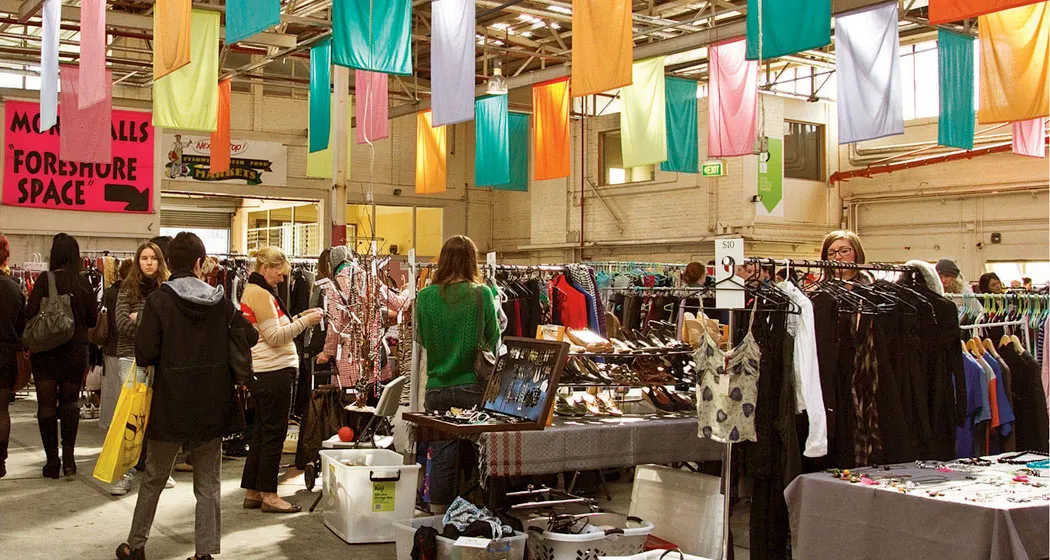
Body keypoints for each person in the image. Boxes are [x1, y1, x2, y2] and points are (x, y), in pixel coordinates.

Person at [115, 232, 257, 560]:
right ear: (198, 263)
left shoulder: (158, 301)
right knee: (208, 483)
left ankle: (135, 546)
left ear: (168, 262)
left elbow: (145, 353)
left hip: (170, 402)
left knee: (154, 477)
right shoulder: (219, 301)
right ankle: (204, 553)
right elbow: (249, 335)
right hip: (213, 402)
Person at [415, 236, 499, 513]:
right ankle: (483, 510)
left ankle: (439, 513)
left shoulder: (425, 296)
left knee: (441, 453)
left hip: (436, 387)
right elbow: (494, 340)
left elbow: (421, 338)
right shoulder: (481, 293)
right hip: (472, 386)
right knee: (482, 451)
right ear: (472, 261)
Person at [239, 247, 323, 514]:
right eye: (279, 273)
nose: (283, 279)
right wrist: (306, 322)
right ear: (265, 268)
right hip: (273, 372)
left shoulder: (256, 291)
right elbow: (275, 337)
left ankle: (253, 491)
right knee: (273, 434)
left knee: (263, 432)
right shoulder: (261, 294)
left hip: (267, 371)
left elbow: (270, 330)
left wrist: (298, 317)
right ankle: (270, 495)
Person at [25, 233, 97, 478]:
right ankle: (69, 460)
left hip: (45, 351)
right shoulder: (83, 283)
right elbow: (92, 320)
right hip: (76, 350)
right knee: (70, 403)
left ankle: (51, 462)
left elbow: (29, 313)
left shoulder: (45, 280)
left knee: (46, 405)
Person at [111, 242, 172, 496]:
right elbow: (121, 325)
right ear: (137, 262)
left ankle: (157, 471)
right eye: (144, 258)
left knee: (157, 417)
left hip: (161, 360)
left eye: (153, 258)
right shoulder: (127, 290)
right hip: (131, 357)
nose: (149, 262)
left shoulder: (167, 290)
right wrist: (152, 325)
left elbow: (171, 326)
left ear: (160, 262)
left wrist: (141, 319)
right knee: (130, 418)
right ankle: (123, 474)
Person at [0, 235, 26, 479]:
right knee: (2, 410)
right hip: (6, 354)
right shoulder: (14, 288)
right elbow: (22, 327)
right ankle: (0, 461)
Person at [100, 258, 133, 431]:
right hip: (127, 347)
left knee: (110, 390)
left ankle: (108, 424)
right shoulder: (131, 293)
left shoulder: (109, 292)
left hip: (110, 345)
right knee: (126, 391)